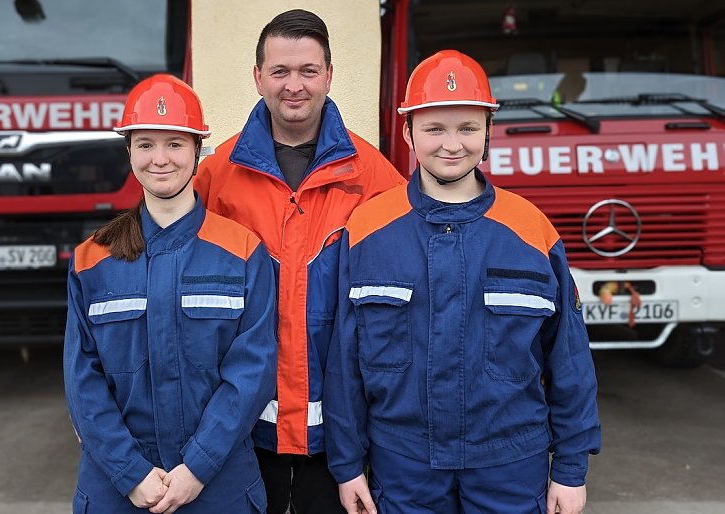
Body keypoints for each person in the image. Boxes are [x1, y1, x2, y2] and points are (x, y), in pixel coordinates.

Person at [323, 50, 601, 514]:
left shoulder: (530, 230)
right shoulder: (367, 230)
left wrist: (570, 470)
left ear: (489, 132)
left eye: (468, 128)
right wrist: (348, 464)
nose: (452, 144)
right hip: (404, 466)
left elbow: (569, 360)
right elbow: (344, 361)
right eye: (435, 128)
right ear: (408, 132)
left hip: (511, 463)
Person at [193, 9, 404, 514]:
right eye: (280, 71)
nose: (295, 85)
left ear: (329, 76)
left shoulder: (374, 177)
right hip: (239, 430)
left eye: (308, 71)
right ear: (258, 76)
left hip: (340, 437)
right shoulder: (215, 177)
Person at [63, 74, 277, 514]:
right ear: (128, 151)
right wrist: (130, 473)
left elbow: (252, 373)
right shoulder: (92, 259)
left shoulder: (242, 251)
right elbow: (82, 379)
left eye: (175, 144)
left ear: (197, 150)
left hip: (219, 483)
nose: (160, 159)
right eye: (145, 144)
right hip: (117, 486)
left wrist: (198, 466)